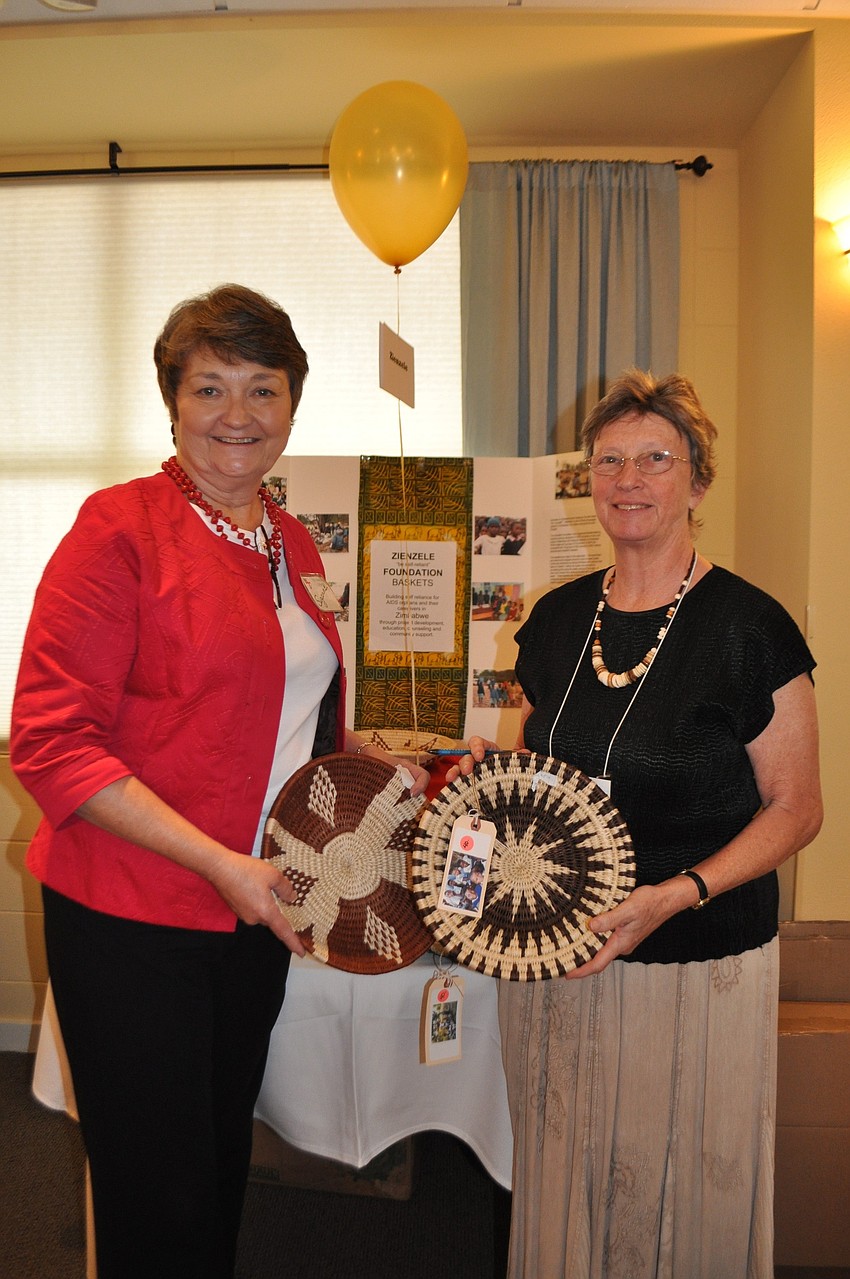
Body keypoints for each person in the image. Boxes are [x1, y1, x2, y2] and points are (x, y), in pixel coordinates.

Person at [10, 283, 427, 1279]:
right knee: (155, 1185)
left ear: (292, 405)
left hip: (257, 907)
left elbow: (282, 709)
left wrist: (367, 754)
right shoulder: (118, 531)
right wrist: (217, 864)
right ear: (173, 402)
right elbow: (51, 741)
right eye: (210, 387)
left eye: (262, 388)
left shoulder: (287, 540)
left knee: (218, 1157)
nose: (237, 413)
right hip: (134, 915)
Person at [450, 369, 822, 1279]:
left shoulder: (748, 627)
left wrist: (675, 893)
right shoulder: (557, 619)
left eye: (655, 457)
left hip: (695, 964)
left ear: (697, 481)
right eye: (609, 459)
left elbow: (798, 809)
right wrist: (478, 784)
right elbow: (535, 774)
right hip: (557, 960)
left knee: (683, 1189)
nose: (628, 477)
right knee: (567, 1179)